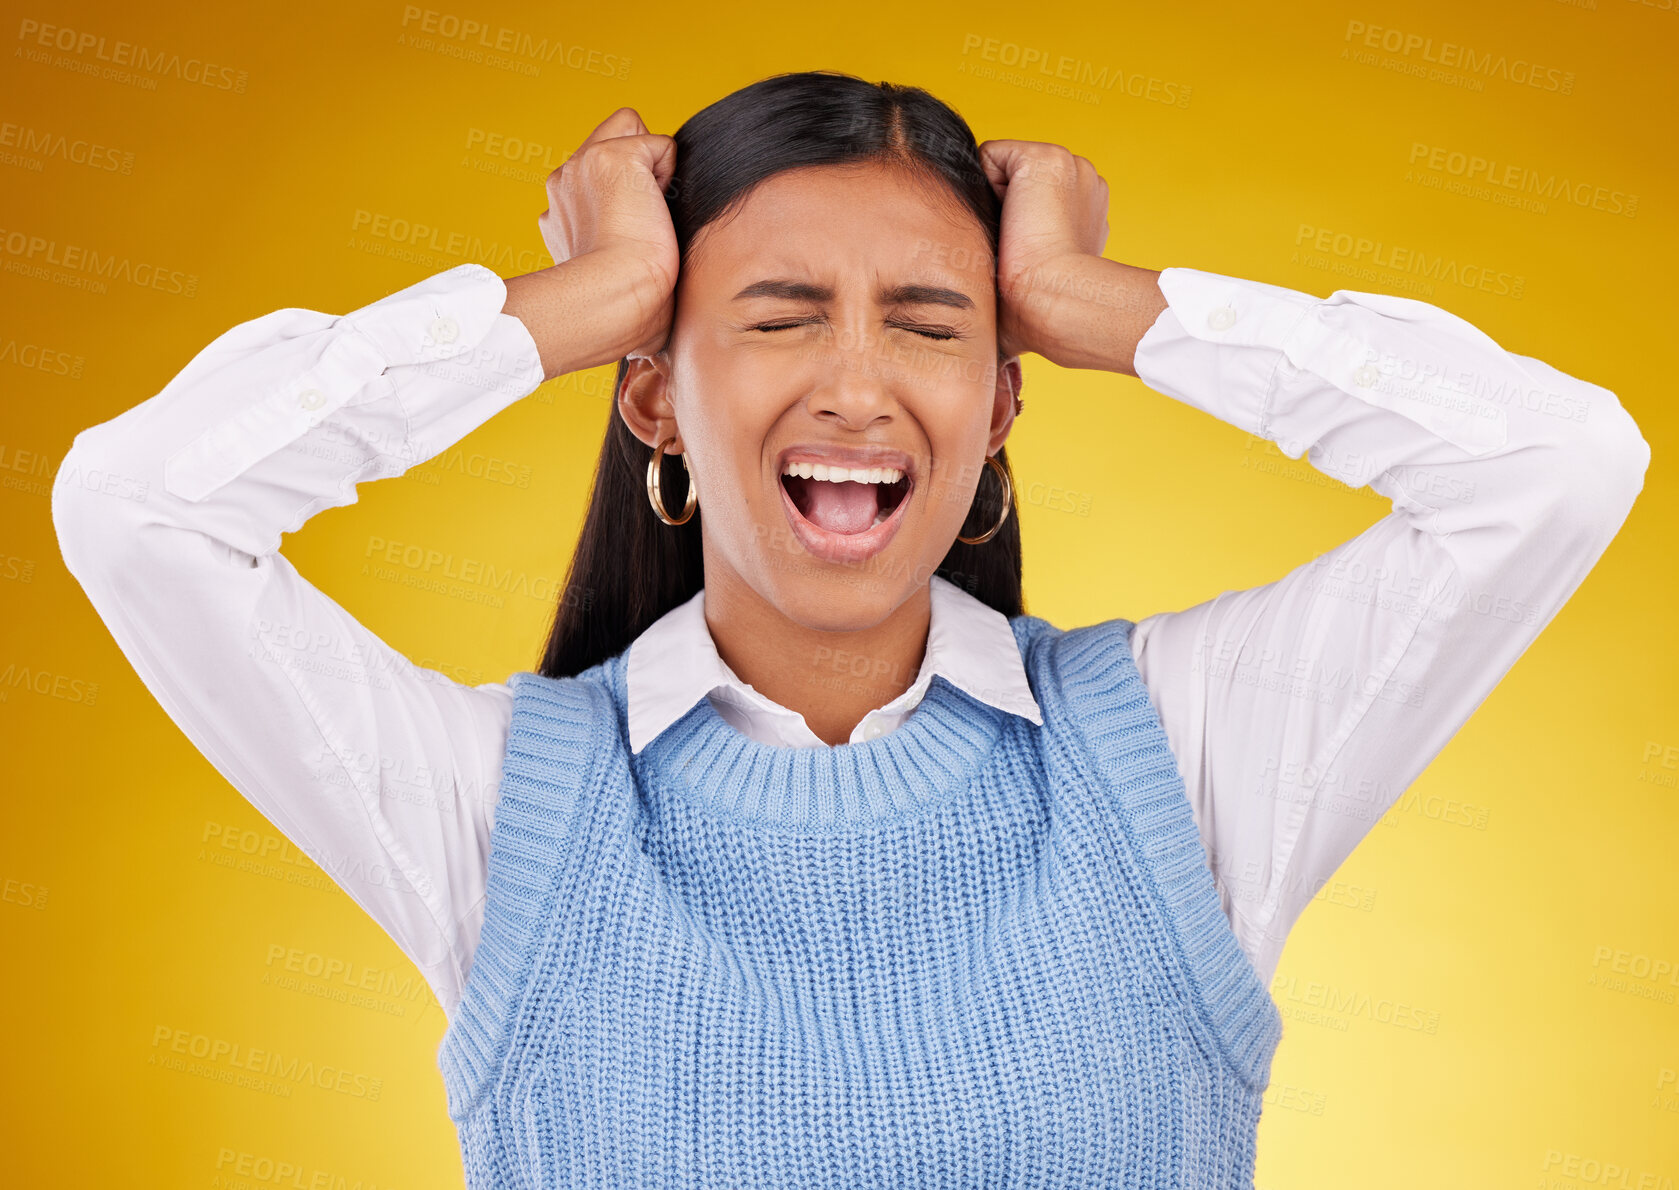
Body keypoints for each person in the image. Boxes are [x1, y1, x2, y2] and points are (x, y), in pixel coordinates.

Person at [53, 71, 1649, 1187]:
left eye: (933, 324)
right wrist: (586, 295)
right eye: (779, 313)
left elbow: (1556, 467)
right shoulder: (505, 808)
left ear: (1006, 394)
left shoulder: (1179, 752)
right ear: (655, 392)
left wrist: (1114, 306)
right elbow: (140, 506)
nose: (860, 384)